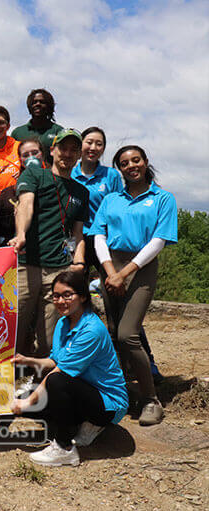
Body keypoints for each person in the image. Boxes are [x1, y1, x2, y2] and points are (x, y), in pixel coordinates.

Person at [90, 145, 177, 425]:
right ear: (120, 168)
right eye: (124, 163)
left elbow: (158, 240)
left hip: (141, 267)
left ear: (145, 162)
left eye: (135, 160)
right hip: (110, 265)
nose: (131, 166)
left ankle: (151, 400)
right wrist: (109, 271)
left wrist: (124, 273)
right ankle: (123, 392)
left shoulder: (162, 198)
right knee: (114, 332)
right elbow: (99, 235)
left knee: (128, 334)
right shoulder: (112, 199)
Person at [11, 271, 128, 467]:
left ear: (82, 296)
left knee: (51, 385)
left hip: (107, 403)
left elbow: (60, 373)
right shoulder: (63, 323)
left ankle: (64, 448)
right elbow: (55, 361)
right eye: (56, 296)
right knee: (25, 400)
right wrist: (28, 361)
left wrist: (29, 401)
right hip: (81, 390)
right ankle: (79, 424)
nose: (60, 301)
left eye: (67, 295)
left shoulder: (91, 330)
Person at [9, 128, 89, 358]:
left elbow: (77, 233)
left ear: (79, 156)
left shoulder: (82, 192)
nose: (68, 153)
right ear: (51, 151)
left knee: (49, 339)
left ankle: (39, 387)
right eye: (63, 148)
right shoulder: (35, 175)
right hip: (27, 264)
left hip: (58, 269)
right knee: (14, 330)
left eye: (74, 150)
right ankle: (5, 384)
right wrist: (21, 233)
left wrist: (79, 262)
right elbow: (25, 204)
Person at [0, 138, 45, 245]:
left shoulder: (55, 182)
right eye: (25, 155)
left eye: (35, 153)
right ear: (20, 160)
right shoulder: (8, 194)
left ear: (43, 154)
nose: (31, 157)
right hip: (20, 246)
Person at [11, 88, 64, 156]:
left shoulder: (58, 131)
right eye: (34, 102)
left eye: (42, 102)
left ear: (49, 106)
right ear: (29, 106)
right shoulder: (18, 133)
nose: (38, 104)